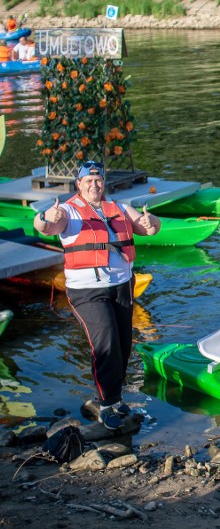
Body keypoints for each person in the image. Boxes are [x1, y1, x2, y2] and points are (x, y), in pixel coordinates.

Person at [32, 160, 161, 430]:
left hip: (122, 285)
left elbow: (148, 227)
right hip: (87, 290)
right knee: (106, 342)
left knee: (124, 344)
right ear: (79, 184)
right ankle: (104, 406)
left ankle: (114, 398)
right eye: (88, 181)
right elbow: (45, 226)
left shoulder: (119, 208)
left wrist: (152, 221)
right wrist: (46, 218)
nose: (94, 184)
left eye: (98, 180)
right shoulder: (67, 211)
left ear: (104, 183)